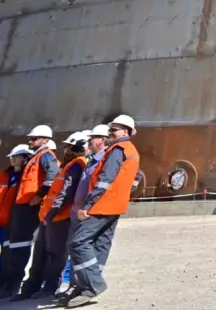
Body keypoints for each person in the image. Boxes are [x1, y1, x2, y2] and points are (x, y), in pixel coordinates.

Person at [60, 116, 140, 308]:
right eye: (110, 129)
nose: (111, 132)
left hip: (103, 204)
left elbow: (105, 180)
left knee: (78, 242)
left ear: (126, 132)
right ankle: (85, 285)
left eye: (115, 130)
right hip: (115, 205)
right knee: (101, 244)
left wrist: (88, 205)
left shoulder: (117, 150)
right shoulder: (130, 150)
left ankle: (92, 284)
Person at [19, 131, 91, 300]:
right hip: (51, 215)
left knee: (55, 254)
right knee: (41, 253)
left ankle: (50, 286)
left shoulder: (76, 165)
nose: (65, 149)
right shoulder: (69, 165)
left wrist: (52, 213)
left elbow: (66, 193)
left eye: (69, 147)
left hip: (59, 217)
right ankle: (34, 286)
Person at [0, 125, 60, 300]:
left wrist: (39, 195)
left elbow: (52, 176)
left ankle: (13, 286)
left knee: (19, 246)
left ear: (45, 139)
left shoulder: (46, 156)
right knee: (12, 246)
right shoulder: (36, 157)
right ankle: (9, 285)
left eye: (34, 139)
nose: (31, 141)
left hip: (29, 208)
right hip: (20, 208)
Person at [0, 144, 30, 280]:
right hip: (2, 222)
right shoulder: (4, 176)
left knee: (8, 255)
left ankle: (6, 281)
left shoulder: (25, 179)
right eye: (12, 156)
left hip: (12, 223)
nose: (12, 159)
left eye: (16, 156)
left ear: (25, 158)